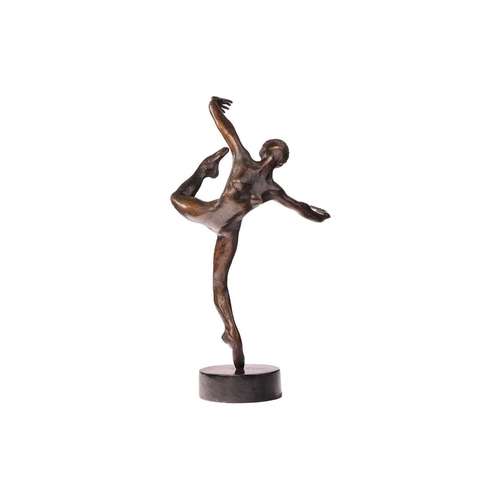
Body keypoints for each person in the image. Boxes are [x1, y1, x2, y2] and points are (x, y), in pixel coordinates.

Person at [171, 96, 330, 371]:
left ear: (272, 156)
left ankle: (231, 332)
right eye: (277, 153)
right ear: (271, 157)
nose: (275, 157)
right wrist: (213, 104)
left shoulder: (258, 176)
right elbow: (226, 128)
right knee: (179, 201)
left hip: (221, 225)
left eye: (277, 154)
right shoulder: (257, 175)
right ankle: (205, 170)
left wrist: (318, 214)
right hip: (219, 222)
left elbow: (299, 207)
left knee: (217, 280)